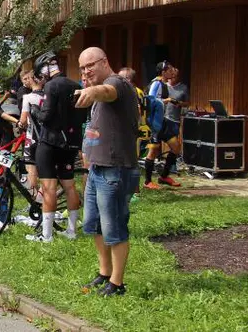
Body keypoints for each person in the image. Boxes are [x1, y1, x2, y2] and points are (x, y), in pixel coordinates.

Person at [75, 47, 140, 297]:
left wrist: (92, 92)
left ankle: (117, 283)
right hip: (97, 168)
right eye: (82, 68)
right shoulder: (99, 91)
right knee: (94, 225)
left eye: (90, 65)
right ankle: (104, 273)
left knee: (114, 228)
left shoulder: (118, 83)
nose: (86, 71)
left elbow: (107, 91)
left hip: (116, 169)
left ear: (104, 62)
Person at [28, 51, 86, 243]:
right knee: (69, 186)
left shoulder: (51, 86)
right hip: (71, 143)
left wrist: (34, 110)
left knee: (49, 187)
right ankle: (71, 231)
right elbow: (82, 116)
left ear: (45, 70)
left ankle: (47, 235)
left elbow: (46, 116)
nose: (42, 79)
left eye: (41, 74)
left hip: (50, 142)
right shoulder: (76, 85)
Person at [143, 61, 183, 188]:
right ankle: (147, 182)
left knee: (176, 147)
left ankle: (164, 176)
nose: (172, 72)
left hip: (162, 120)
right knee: (153, 150)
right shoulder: (156, 83)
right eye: (169, 70)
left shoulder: (163, 84)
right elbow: (150, 100)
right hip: (154, 122)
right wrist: (169, 100)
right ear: (163, 72)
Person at [18, 71, 45, 201]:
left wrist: (19, 124)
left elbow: (23, 120)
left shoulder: (28, 97)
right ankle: (43, 198)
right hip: (46, 137)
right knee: (46, 171)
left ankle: (34, 200)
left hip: (33, 137)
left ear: (32, 79)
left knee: (31, 168)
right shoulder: (48, 95)